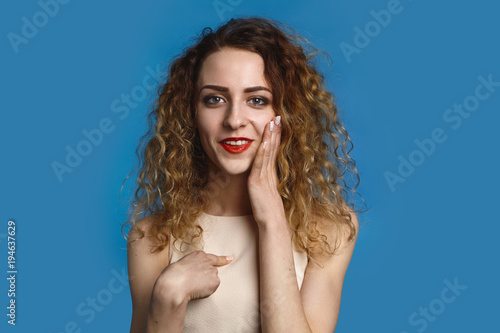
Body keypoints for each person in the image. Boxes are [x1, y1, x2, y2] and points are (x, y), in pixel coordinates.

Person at [123, 16, 364, 333]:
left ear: (286, 113)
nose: (234, 119)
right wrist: (168, 296)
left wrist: (272, 219)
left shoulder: (329, 231)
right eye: (215, 99)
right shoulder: (151, 238)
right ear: (191, 113)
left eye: (257, 100)